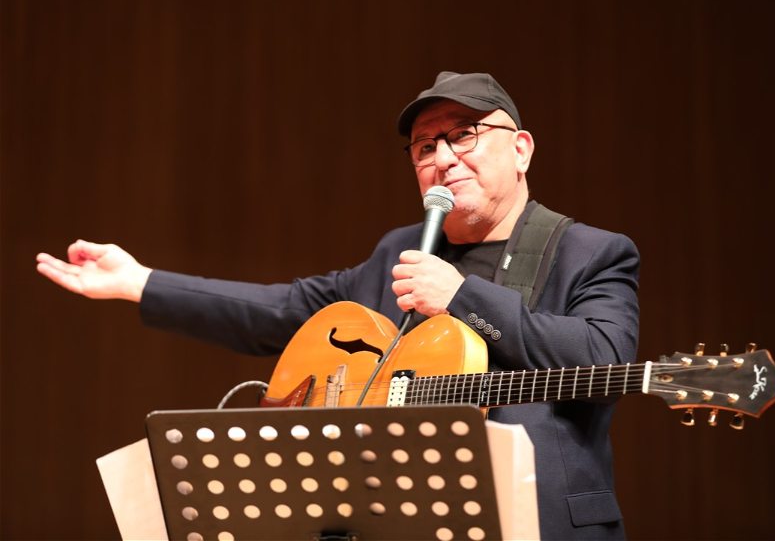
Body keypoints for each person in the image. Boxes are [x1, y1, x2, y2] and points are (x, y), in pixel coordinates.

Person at [36, 71, 639, 540]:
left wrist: (461, 295)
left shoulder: (589, 252)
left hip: (540, 523)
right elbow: (283, 310)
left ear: (521, 149)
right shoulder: (399, 252)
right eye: (425, 146)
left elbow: (606, 359)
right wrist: (140, 282)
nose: (443, 159)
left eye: (464, 135)